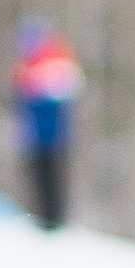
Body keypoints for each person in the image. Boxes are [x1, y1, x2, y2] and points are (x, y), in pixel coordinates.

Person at [8, 21, 84, 232]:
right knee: (39, 177)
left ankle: (53, 221)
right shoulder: (29, 64)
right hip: (37, 136)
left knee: (50, 178)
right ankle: (43, 218)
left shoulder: (52, 61)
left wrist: (27, 93)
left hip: (51, 136)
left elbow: (53, 95)